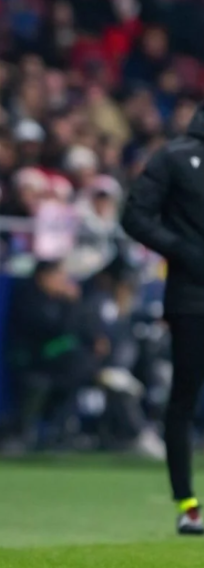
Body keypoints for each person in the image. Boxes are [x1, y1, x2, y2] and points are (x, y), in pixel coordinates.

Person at [121, 105, 204, 535]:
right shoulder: (175, 157)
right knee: (184, 398)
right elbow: (134, 216)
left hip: (190, 295)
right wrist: (185, 252)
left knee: (183, 400)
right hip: (192, 298)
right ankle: (188, 507)